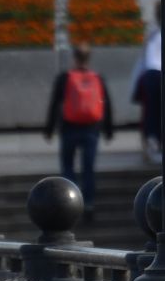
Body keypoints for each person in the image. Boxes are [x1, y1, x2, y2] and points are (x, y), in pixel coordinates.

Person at [43, 45, 115, 217]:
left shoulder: (65, 78)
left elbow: (54, 103)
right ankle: (88, 204)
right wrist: (109, 129)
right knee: (88, 168)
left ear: (74, 58)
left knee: (68, 167)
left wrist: (49, 129)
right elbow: (107, 104)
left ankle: (69, 203)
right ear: (88, 58)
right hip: (92, 129)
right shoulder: (97, 77)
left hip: (69, 128)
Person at [130, 1, 164, 165]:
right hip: (160, 74)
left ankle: (152, 142)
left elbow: (143, 61)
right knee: (162, 112)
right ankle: (157, 143)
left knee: (151, 112)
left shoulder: (152, 34)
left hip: (149, 75)